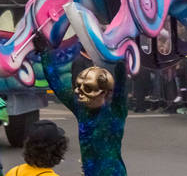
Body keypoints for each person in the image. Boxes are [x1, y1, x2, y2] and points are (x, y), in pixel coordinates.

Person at [39, 42, 128, 176]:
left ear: (103, 92)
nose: (79, 92)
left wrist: (120, 60)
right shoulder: (81, 109)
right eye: (78, 86)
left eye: (87, 88)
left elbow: (121, 86)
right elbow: (56, 83)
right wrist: (44, 52)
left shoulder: (115, 111)